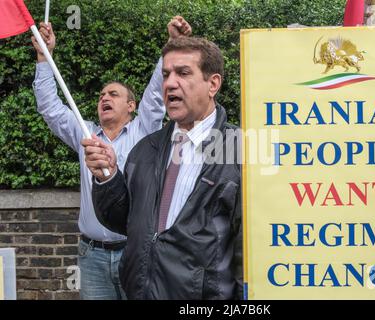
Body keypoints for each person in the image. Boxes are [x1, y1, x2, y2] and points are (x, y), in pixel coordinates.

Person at [31, 16, 192, 300]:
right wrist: (44, 57)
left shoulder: (144, 130)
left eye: (113, 94)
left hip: (135, 251)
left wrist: (172, 46)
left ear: (131, 105)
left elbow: (156, 93)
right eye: (102, 94)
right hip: (91, 257)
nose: (104, 97)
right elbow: (50, 107)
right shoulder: (85, 134)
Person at [83, 37, 243, 299]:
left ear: (212, 83)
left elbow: (249, 249)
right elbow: (126, 222)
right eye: (166, 74)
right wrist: (107, 178)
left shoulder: (239, 149)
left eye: (183, 73)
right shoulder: (146, 149)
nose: (169, 83)